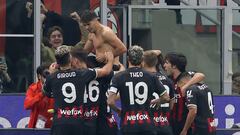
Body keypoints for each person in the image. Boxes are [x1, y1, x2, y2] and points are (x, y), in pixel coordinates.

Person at [43, 45, 114, 135]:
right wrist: (110, 60)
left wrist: (50, 73)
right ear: (70, 58)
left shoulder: (52, 77)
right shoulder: (81, 74)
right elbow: (106, 71)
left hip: (59, 122)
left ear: (57, 61)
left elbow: (45, 92)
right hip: (77, 122)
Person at [107, 45, 169, 135]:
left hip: (128, 125)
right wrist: (155, 101)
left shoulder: (118, 77)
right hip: (147, 125)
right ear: (142, 60)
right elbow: (166, 98)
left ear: (128, 59)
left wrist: (118, 110)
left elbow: (110, 101)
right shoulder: (151, 77)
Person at [70, 47, 119, 135]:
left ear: (75, 60)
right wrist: (112, 59)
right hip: (102, 120)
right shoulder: (99, 73)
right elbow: (112, 72)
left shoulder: (73, 76)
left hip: (87, 121)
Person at [163, 52, 205, 135]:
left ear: (174, 66)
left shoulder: (186, 76)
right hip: (172, 123)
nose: (164, 65)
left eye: (166, 63)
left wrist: (186, 86)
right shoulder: (169, 79)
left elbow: (201, 75)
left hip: (186, 125)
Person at [142, 50, 175, 135]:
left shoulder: (143, 79)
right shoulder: (168, 80)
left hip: (149, 125)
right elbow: (172, 104)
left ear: (144, 62)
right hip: (165, 125)